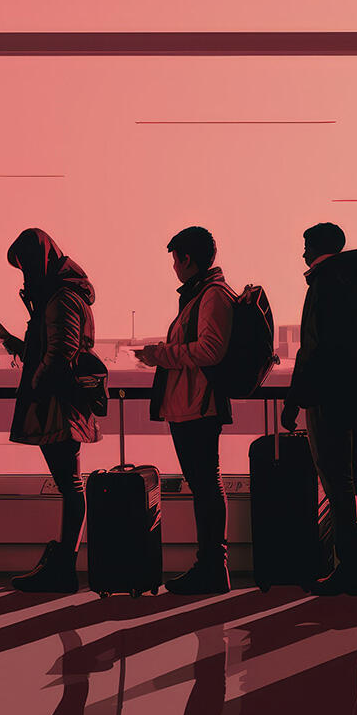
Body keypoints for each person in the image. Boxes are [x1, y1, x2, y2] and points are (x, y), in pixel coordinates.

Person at [281, 222, 357, 596]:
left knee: (337, 482)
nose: (302, 252)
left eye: (305, 244)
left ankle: (351, 568)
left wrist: (294, 400)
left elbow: (312, 350)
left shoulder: (325, 282)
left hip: (330, 398)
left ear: (317, 247)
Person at [0, 229, 103, 593]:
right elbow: (55, 349)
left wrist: (37, 387)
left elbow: (61, 353)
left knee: (71, 485)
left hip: (58, 406)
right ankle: (63, 565)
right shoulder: (64, 295)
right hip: (64, 404)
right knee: (70, 484)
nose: (24, 275)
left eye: (25, 266)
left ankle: (62, 568)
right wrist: (20, 345)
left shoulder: (60, 299)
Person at [135, 226, 234, 595]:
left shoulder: (212, 296)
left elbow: (211, 350)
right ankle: (210, 565)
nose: (174, 268)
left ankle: (212, 566)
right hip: (189, 403)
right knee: (205, 484)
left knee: (206, 485)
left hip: (198, 405)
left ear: (186, 259)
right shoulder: (203, 295)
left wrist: (160, 354)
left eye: (175, 260)